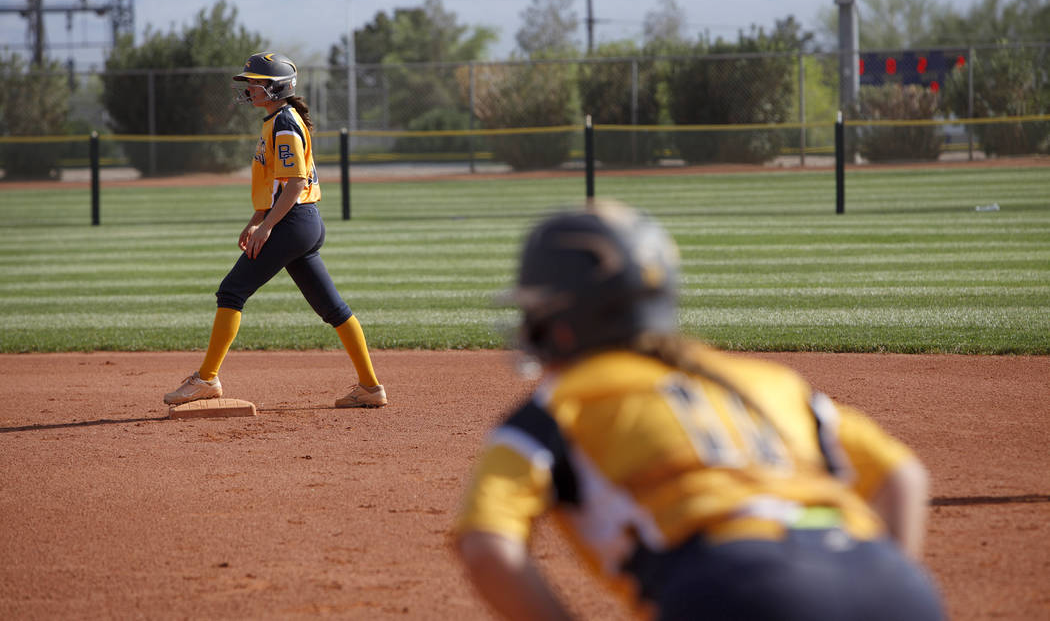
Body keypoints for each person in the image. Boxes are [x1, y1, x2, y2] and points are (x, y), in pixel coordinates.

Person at [453, 200, 944, 621]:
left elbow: (486, 545)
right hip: (892, 584)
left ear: (562, 321)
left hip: (735, 589)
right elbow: (902, 475)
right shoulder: (760, 380)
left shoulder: (561, 402)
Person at [163, 51, 386, 409]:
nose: (249, 88)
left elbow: (296, 183)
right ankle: (371, 387)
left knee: (232, 291)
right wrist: (256, 219)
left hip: (293, 221)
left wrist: (267, 226)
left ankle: (206, 379)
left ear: (275, 87)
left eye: (255, 83)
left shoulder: (283, 123)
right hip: (302, 222)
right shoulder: (278, 119)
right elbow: (278, 186)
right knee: (333, 309)